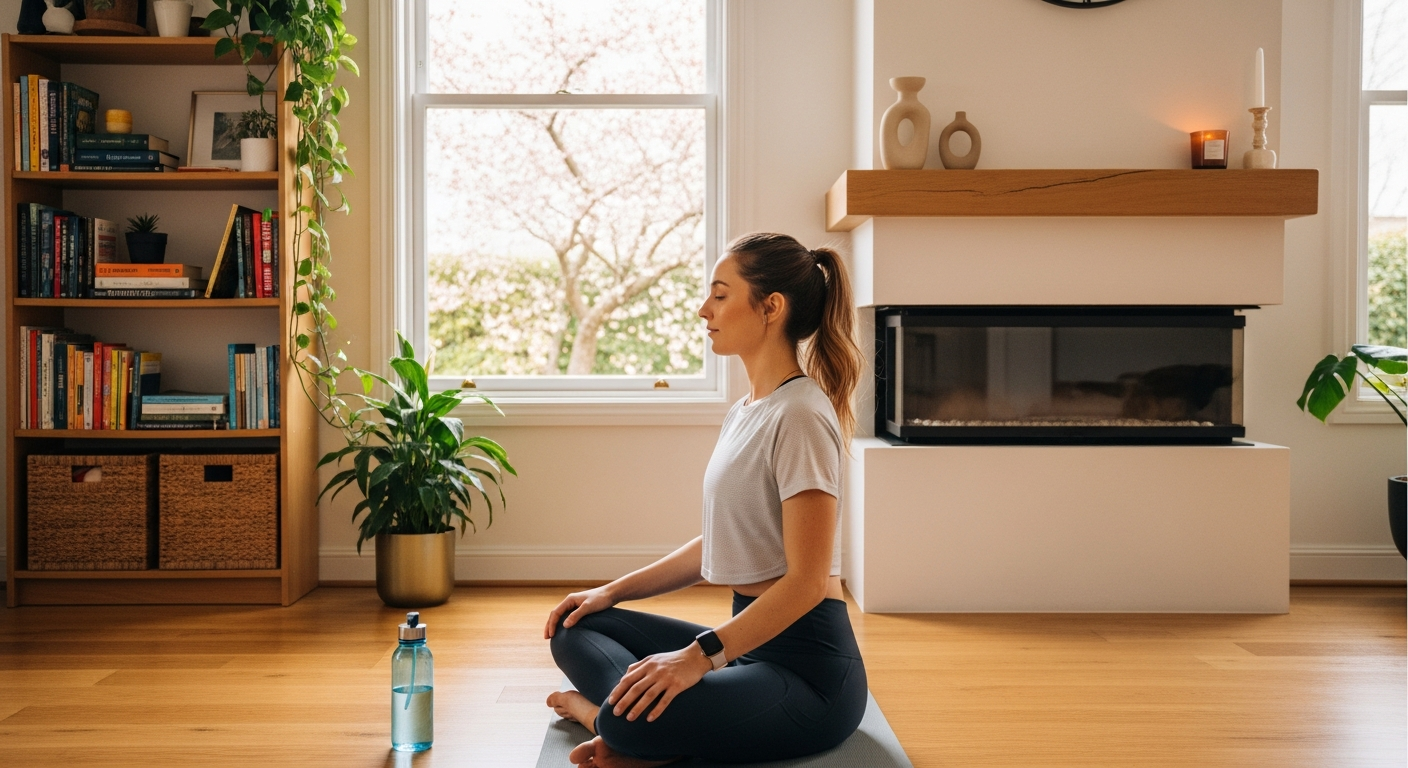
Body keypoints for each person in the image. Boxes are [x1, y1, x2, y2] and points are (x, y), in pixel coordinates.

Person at [543, 233, 867, 768]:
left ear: (771, 308)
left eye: (720, 295)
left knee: (632, 717)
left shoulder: (802, 416)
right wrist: (609, 591)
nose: (703, 310)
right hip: (745, 649)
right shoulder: (747, 410)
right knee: (576, 625)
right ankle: (621, 729)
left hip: (809, 674)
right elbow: (718, 542)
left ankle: (605, 722)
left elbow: (808, 584)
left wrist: (699, 658)